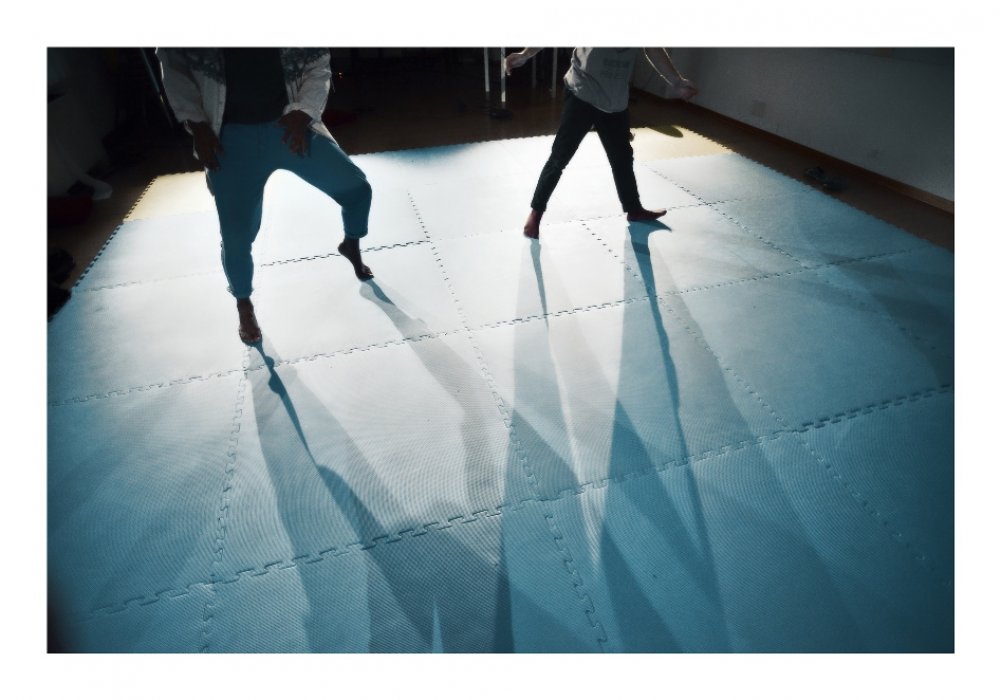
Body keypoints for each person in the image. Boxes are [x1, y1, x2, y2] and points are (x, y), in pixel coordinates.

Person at [156, 48, 374, 344]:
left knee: (357, 189)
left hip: (288, 125)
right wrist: (197, 124)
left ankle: (351, 243)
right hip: (229, 137)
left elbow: (318, 64)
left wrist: (304, 112)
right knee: (236, 237)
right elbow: (173, 68)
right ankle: (243, 303)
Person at [504, 48, 698, 239]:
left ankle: (634, 209)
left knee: (622, 158)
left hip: (614, 101)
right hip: (582, 94)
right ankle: (536, 213)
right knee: (560, 157)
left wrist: (676, 81)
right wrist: (525, 54)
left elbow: (652, 48)